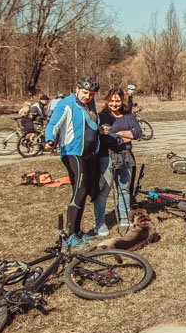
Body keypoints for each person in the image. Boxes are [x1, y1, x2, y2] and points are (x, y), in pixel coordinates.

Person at [45, 77, 101, 248]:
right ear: (77, 89)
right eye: (85, 92)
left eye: (91, 94)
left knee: (84, 191)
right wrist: (49, 139)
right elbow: (53, 124)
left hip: (89, 154)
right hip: (73, 152)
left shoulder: (90, 104)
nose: (88, 96)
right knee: (80, 190)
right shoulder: (66, 104)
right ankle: (69, 236)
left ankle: (76, 230)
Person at [92, 88, 143, 237]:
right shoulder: (101, 116)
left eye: (118, 101)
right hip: (107, 157)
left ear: (122, 101)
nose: (114, 104)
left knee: (124, 189)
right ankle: (100, 223)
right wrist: (124, 136)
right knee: (104, 191)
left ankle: (125, 218)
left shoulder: (129, 115)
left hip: (126, 156)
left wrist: (117, 134)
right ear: (107, 101)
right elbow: (105, 138)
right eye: (112, 101)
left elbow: (138, 132)